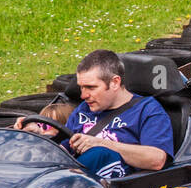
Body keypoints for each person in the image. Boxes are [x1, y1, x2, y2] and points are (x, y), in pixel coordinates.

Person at [61, 50, 175, 180]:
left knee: (100, 154)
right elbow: (62, 149)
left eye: (91, 87)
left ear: (115, 82)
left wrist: (100, 143)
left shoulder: (147, 110)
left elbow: (157, 159)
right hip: (76, 183)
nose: (83, 95)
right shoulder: (84, 109)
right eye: (81, 87)